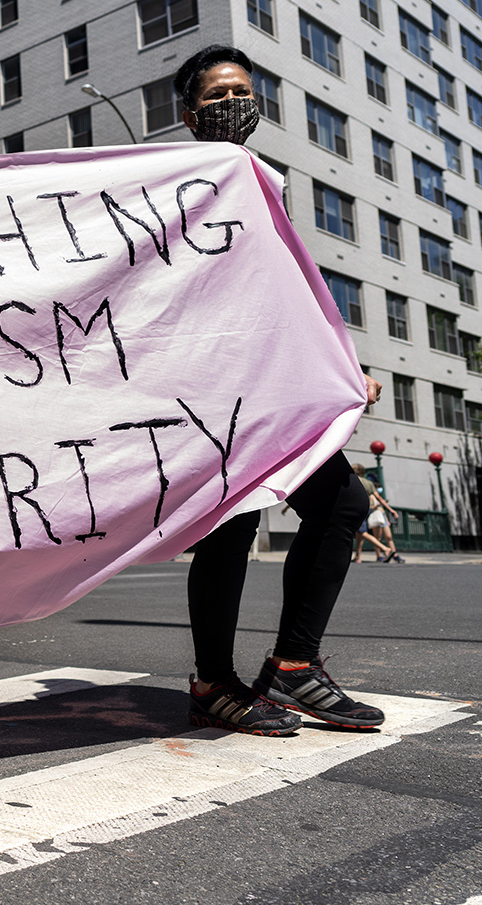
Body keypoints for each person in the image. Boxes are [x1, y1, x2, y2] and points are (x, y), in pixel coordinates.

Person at [175, 46, 386, 737]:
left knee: (341, 504)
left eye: (243, 90)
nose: (234, 103)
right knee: (229, 525)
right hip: (214, 388)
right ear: (190, 114)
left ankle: (294, 667)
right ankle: (213, 681)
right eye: (217, 95)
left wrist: (342, 367)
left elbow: (289, 291)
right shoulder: (175, 182)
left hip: (271, 386)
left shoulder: (264, 181)